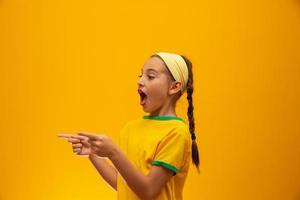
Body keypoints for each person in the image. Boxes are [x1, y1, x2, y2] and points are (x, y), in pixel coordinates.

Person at [58, 52, 199, 200]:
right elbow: (125, 185)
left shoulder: (176, 133)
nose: (140, 81)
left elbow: (148, 191)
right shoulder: (130, 129)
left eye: (150, 76)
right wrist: (93, 155)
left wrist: (112, 152)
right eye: (141, 76)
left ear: (174, 87)